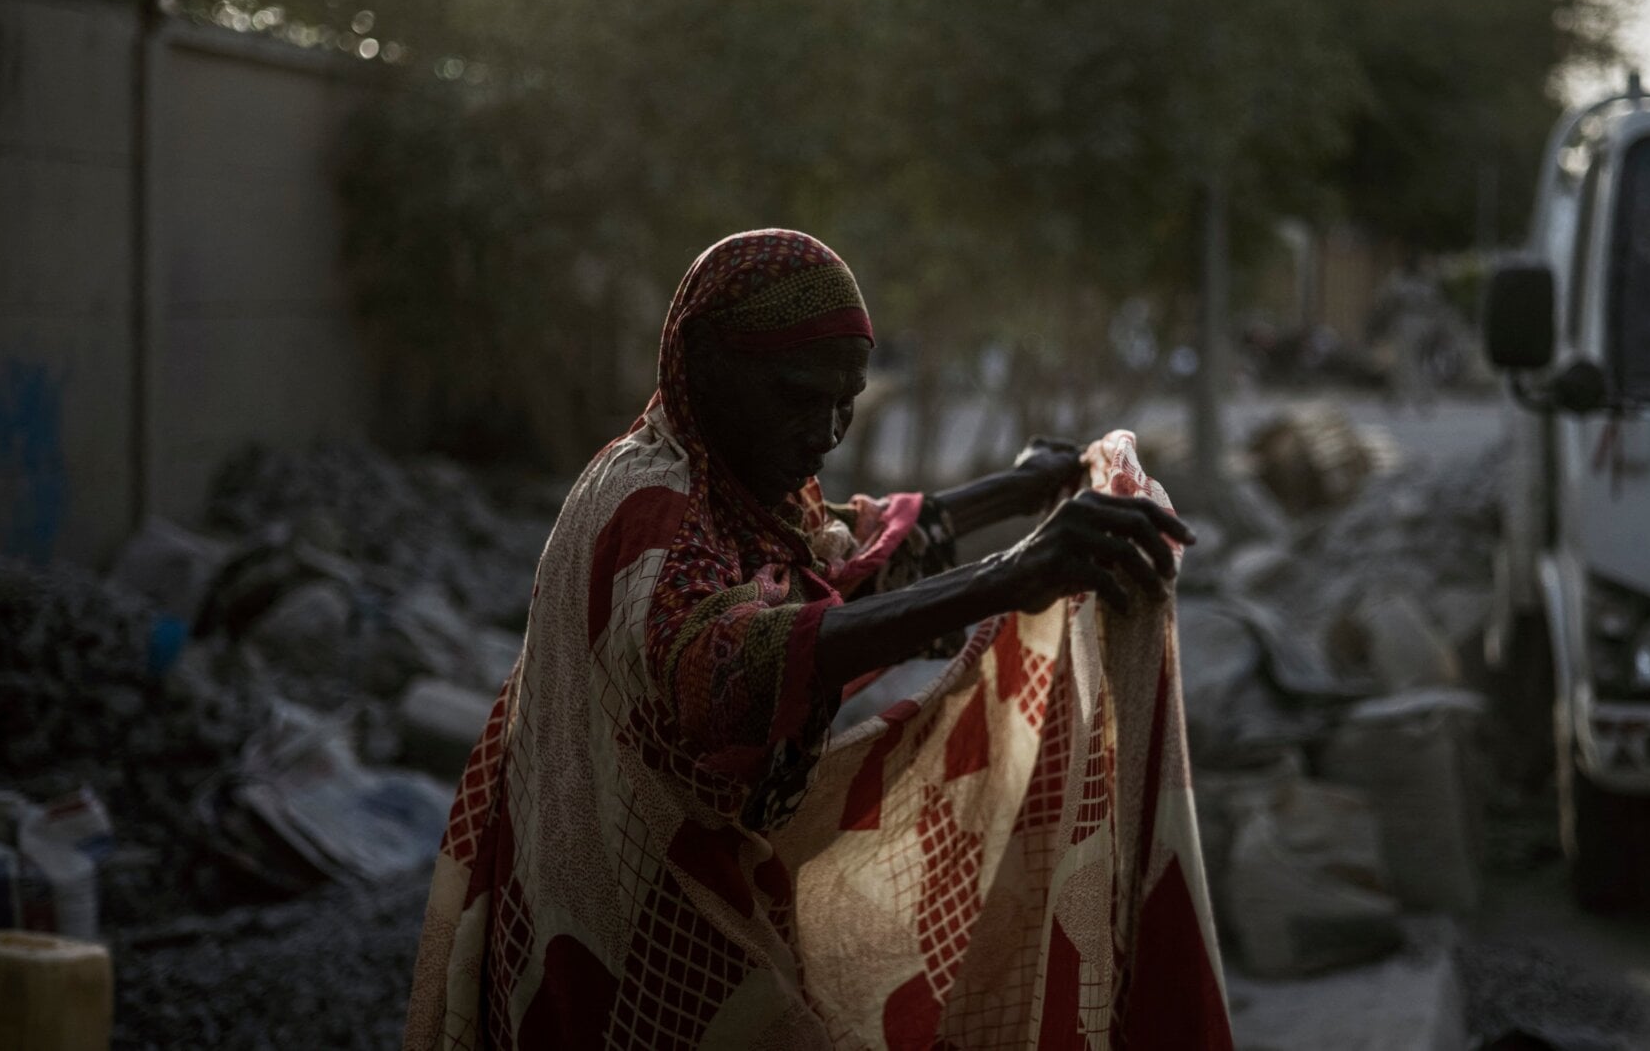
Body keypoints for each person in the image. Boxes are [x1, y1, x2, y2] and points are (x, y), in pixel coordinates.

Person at [402, 229, 1231, 1049]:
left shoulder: (736, 492)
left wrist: (1021, 489)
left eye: (847, 401)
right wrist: (1014, 575)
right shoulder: (648, 505)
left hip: (687, 885)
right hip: (621, 931)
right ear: (702, 364)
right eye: (798, 397)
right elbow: (728, 666)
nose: (827, 432)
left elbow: (844, 556)